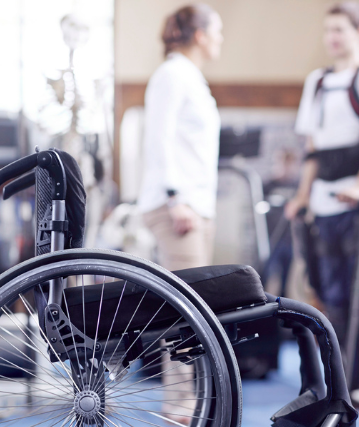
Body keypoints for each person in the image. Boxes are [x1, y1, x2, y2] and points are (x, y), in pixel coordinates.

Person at [285, 2, 359, 406]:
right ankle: (344, 380)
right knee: (331, 294)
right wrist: (301, 197)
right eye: (328, 30)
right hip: (324, 204)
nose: (333, 38)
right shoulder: (317, 82)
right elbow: (313, 149)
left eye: (341, 29)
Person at [137, 3, 223, 423]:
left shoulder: (190, 76)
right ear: (201, 34)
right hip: (178, 207)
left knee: (195, 310)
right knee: (184, 310)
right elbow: (159, 139)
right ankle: (178, 407)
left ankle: (188, 403)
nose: (221, 39)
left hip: (194, 207)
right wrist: (176, 198)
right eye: (218, 31)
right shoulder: (172, 74)